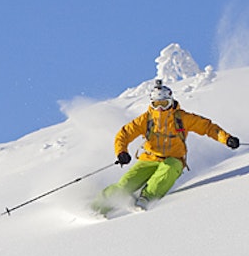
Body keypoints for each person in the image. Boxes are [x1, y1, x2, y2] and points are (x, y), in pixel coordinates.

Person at [93, 80, 239, 214]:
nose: (161, 108)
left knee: (167, 170)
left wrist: (227, 139)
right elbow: (123, 135)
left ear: (171, 102)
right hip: (149, 159)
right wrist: (122, 152)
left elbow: (208, 127)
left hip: (174, 159)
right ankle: (98, 205)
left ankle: (145, 199)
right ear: (151, 104)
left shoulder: (182, 118)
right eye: (157, 104)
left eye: (164, 104)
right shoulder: (145, 120)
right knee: (125, 185)